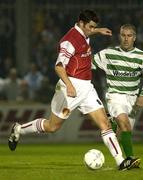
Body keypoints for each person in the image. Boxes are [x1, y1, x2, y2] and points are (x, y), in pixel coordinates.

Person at [8, 11, 139, 170]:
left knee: (105, 124)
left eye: (94, 27)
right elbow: (58, 66)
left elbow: (87, 34)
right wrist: (69, 85)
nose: (92, 29)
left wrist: (98, 30)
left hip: (87, 88)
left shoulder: (84, 33)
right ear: (81, 24)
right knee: (52, 127)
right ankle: (19, 129)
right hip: (69, 88)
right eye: (90, 27)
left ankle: (121, 162)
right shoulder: (69, 41)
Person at [93, 24, 142, 167]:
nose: (126, 39)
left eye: (129, 36)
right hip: (115, 96)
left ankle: (112, 122)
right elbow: (88, 63)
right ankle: (130, 159)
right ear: (119, 36)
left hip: (132, 99)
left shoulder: (141, 56)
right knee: (125, 125)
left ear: (134, 38)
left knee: (123, 131)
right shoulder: (108, 53)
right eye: (123, 35)